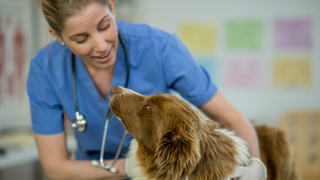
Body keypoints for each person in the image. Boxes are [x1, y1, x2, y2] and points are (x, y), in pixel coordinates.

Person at [27, 0, 267, 179]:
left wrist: (255, 165)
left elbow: (230, 117)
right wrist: (135, 167)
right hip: (94, 174)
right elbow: (55, 167)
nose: (101, 46)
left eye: (104, 25)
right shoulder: (44, 69)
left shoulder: (160, 48)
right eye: (81, 39)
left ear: (111, 5)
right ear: (57, 36)